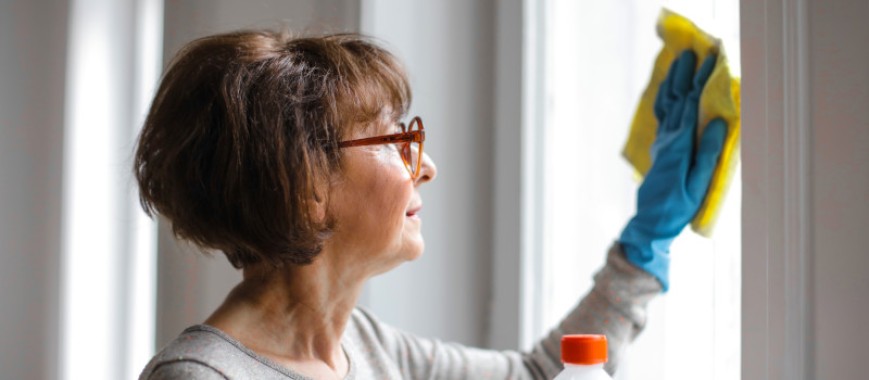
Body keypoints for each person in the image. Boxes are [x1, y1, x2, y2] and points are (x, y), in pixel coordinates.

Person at [135, 30, 726, 379]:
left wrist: (647, 241)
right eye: (396, 140)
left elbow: (540, 376)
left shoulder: (365, 348)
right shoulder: (202, 377)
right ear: (305, 185)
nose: (427, 165)